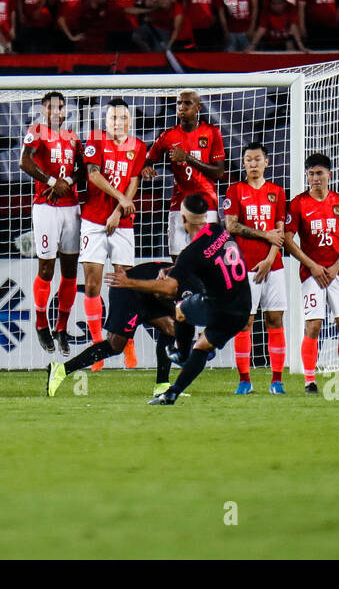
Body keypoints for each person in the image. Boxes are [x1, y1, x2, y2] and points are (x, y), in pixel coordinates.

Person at [106, 193, 251, 405]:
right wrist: (174, 269)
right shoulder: (219, 231)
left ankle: (182, 355)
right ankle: (172, 393)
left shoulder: (192, 252)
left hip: (218, 308)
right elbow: (209, 261)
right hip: (242, 307)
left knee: (181, 308)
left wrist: (129, 282)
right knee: (202, 348)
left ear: (183, 219)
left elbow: (167, 287)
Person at [46, 260, 188, 398]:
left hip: (148, 296)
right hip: (128, 292)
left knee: (171, 328)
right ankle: (61, 370)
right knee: (115, 346)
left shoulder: (197, 278)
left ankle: (162, 385)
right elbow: (160, 293)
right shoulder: (193, 280)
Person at [78, 98, 147, 370]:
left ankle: (127, 343)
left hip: (123, 223)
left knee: (124, 285)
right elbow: (93, 176)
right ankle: (98, 348)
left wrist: (118, 211)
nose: (117, 123)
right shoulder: (95, 141)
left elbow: (134, 181)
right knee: (93, 285)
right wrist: (119, 200)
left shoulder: (139, 147)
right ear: (105, 122)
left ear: (130, 120)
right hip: (94, 220)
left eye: (122, 118)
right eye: (112, 118)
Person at [283, 153, 339, 394]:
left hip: (338, 273)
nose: (315, 178)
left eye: (319, 173)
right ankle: (309, 380)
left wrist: (337, 265)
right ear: (307, 176)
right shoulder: (297, 204)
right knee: (313, 325)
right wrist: (312, 265)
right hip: (311, 274)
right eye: (311, 174)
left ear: (329, 174)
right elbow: (287, 239)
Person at [221, 142, 289, 395]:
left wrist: (271, 259)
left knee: (274, 319)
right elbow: (231, 225)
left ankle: (277, 380)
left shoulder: (277, 192)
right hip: (244, 266)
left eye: (257, 159)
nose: (252, 164)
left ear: (266, 162)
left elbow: (280, 231)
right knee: (244, 323)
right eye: (248, 160)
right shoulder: (236, 190)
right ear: (243, 163)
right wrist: (265, 235)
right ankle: (244, 380)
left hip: (274, 266)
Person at [19, 91, 82, 354]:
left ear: (66, 111)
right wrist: (52, 181)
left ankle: (61, 328)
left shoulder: (74, 138)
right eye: (50, 107)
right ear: (43, 111)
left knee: (70, 272)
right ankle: (41, 322)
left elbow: (83, 169)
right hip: (46, 207)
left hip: (72, 208)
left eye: (60, 107)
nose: (56, 112)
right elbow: (24, 161)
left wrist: (68, 182)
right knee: (46, 268)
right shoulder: (37, 131)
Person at [142, 89, 227, 258]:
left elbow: (218, 172)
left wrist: (187, 158)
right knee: (177, 260)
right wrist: (146, 168)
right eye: (179, 103)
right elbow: (147, 161)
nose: (182, 107)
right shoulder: (168, 136)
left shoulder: (211, 132)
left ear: (198, 107)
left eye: (187, 103)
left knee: (208, 260)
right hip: (179, 204)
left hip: (206, 204)